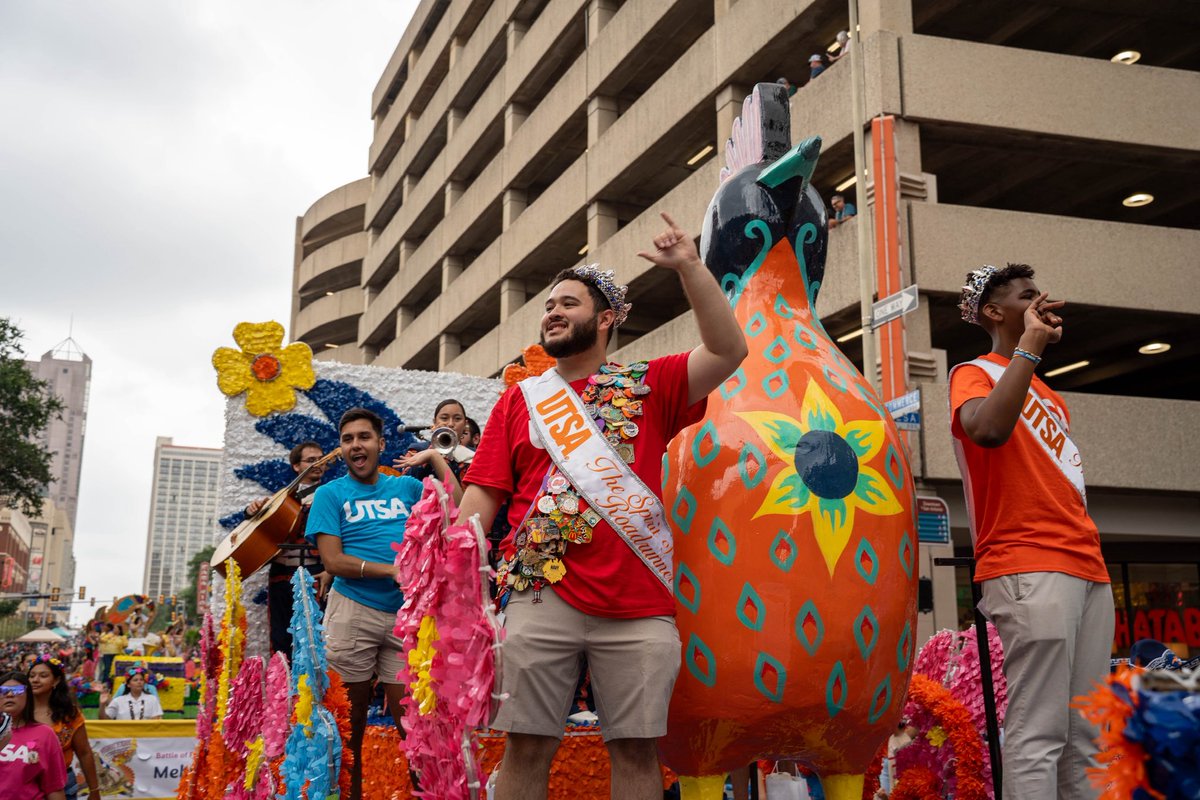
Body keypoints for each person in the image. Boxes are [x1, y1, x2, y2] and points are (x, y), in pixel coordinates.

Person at [457, 211, 747, 800]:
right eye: (549, 306)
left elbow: (727, 349)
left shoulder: (651, 384)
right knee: (526, 744)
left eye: (569, 303)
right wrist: (453, 570)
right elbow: (484, 492)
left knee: (637, 751)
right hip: (540, 594)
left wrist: (690, 267)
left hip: (638, 600)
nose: (553, 312)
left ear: (606, 319)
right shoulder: (521, 401)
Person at [950, 263, 1114, 800]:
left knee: (1086, 733)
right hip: (1028, 560)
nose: (1042, 301)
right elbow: (988, 430)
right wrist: (1028, 351)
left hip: (1085, 564)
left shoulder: (1048, 394)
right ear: (994, 312)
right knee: (1038, 731)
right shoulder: (972, 373)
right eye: (1026, 296)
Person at [305, 408, 425, 800]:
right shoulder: (329, 494)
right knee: (349, 726)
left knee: (415, 727)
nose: (356, 445)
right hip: (351, 614)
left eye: (364, 437)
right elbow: (333, 562)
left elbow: (458, 510)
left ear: (380, 444)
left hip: (405, 619)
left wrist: (437, 458)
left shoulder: (407, 488)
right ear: (341, 449)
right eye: (347, 439)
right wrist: (391, 571)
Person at [247, 441, 330, 656]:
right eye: (311, 460)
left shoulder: (332, 495)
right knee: (281, 640)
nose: (318, 464)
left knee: (315, 639)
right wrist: (251, 511)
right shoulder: (282, 499)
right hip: (281, 578)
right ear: (296, 466)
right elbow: (258, 530)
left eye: (321, 459)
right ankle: (283, 688)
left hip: (316, 575)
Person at [28, 656, 99, 799]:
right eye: (31, 676)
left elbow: (84, 752)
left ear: (56, 680)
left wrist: (94, 790)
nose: (35, 680)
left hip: (63, 784)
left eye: (43, 676)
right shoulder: (19, 711)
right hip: (25, 783)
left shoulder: (69, 714)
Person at [0, 671, 67, 800]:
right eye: (3, 690)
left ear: (28, 696)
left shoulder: (45, 734)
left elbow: (54, 788)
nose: (9, 694)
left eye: (17, 690)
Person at [392, 399, 469, 500]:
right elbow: (405, 485)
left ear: (465, 425)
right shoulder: (417, 450)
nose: (450, 424)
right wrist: (432, 451)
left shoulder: (472, 455)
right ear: (435, 423)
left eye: (457, 419)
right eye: (444, 418)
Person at [98, 668, 163, 721]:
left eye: (141, 680)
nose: (139, 682)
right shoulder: (118, 701)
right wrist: (102, 704)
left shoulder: (152, 699)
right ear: (128, 684)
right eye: (135, 680)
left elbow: (157, 720)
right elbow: (103, 719)